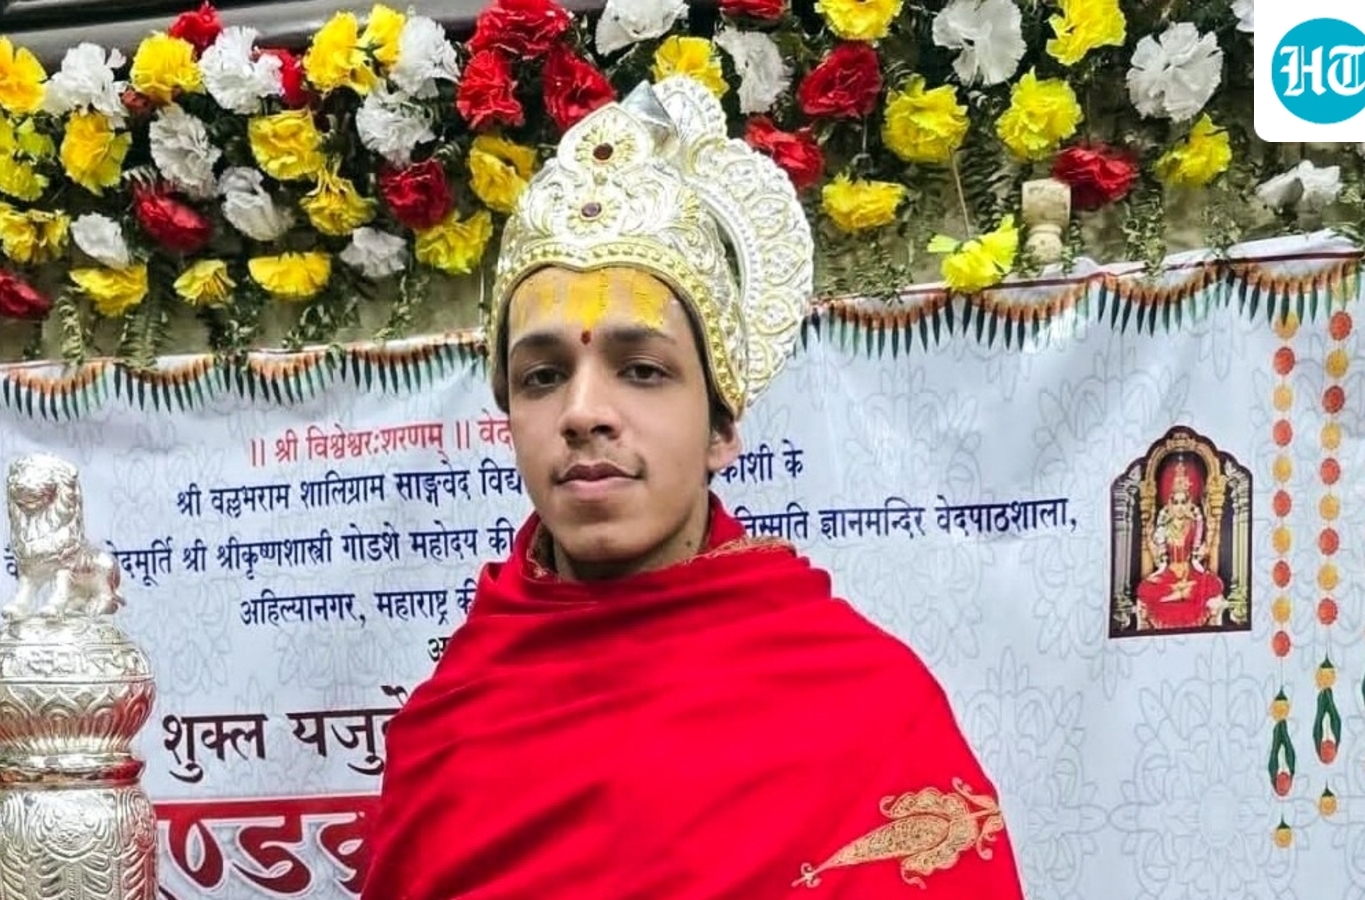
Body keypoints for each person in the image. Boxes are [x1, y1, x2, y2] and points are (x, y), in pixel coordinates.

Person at [361, 76, 1025, 899]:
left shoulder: (864, 707)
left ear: (720, 427)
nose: (582, 413)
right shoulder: (454, 720)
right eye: (541, 377)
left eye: (642, 370)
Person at [1136, 459, 1227, 630]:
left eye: (1183, 502)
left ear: (1188, 503)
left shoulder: (1194, 524)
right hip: (1169, 574)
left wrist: (1210, 533)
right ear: (1170, 504)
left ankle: (1176, 594)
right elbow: (1158, 557)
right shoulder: (1164, 526)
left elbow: (1199, 554)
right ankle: (1177, 593)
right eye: (1176, 502)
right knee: (1145, 588)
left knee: (1213, 584)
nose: (1179, 507)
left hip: (1190, 574)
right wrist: (1149, 538)